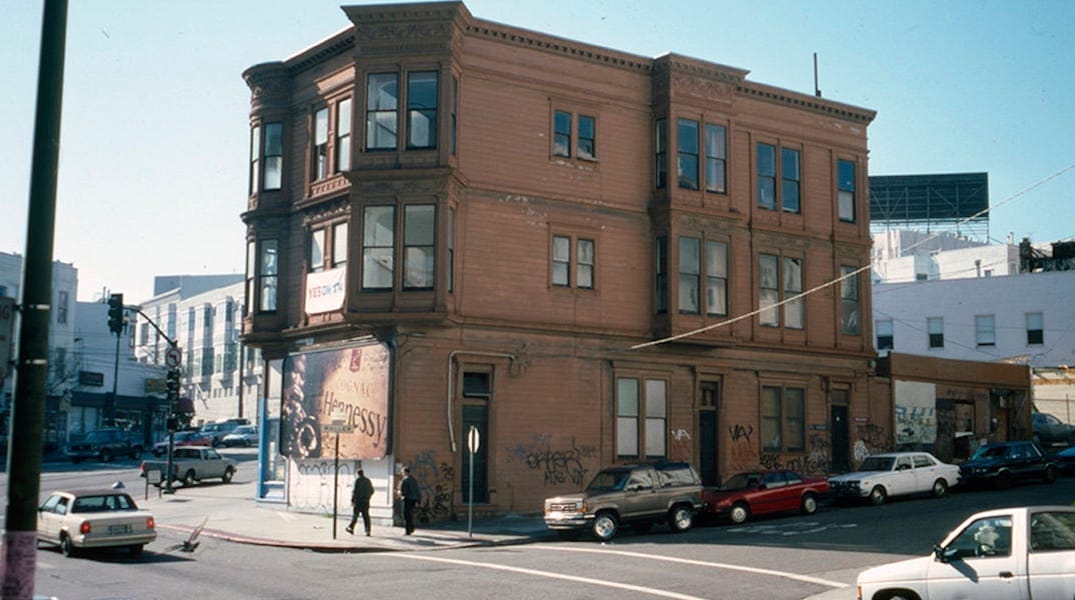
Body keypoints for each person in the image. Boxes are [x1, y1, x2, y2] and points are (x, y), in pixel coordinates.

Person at [346, 469, 374, 536]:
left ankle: (351, 527)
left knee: (355, 516)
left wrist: (352, 500)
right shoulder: (368, 481)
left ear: (358, 474)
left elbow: (355, 491)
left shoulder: (357, 481)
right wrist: (368, 497)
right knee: (366, 517)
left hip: (358, 501)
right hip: (366, 501)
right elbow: (372, 490)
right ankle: (368, 531)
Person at [397, 467, 421, 535]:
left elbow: (402, 491)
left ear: (405, 472)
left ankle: (408, 530)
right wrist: (418, 499)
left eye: (402, 472)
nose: (402, 473)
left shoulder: (405, 480)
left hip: (407, 499)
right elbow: (417, 490)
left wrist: (399, 493)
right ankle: (411, 527)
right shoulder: (413, 480)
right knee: (410, 514)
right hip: (413, 499)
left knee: (406, 515)